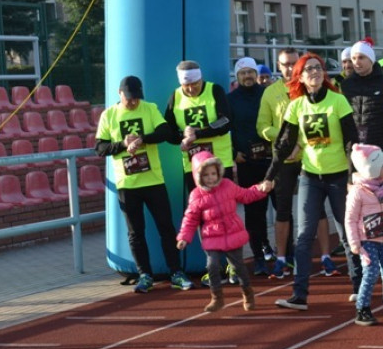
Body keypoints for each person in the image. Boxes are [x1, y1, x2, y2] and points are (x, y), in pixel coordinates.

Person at [267, 54, 360, 310]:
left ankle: (359, 284)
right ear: (300, 76)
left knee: (346, 230)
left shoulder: (338, 100)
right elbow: (284, 144)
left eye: (318, 68)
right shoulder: (296, 106)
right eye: (308, 69)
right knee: (304, 235)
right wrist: (269, 176)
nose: (314, 72)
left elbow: (352, 140)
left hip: (339, 176)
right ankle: (299, 295)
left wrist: (353, 176)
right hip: (310, 176)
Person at [95, 76, 193, 294]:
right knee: (135, 232)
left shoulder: (149, 108)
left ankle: (176, 272)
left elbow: (166, 132)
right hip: (127, 184)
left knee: (166, 227)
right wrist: (122, 144)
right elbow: (100, 148)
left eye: (137, 98)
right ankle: (145, 275)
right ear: (120, 94)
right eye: (129, 98)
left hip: (154, 181)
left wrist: (142, 139)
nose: (133, 102)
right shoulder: (109, 115)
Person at [256, 47, 334, 278]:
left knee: (317, 208)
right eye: (284, 64)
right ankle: (281, 258)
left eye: (293, 63)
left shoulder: (307, 88)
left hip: (310, 155)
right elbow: (262, 127)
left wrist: (299, 142)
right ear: (278, 66)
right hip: (285, 158)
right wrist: (284, 140)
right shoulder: (270, 92)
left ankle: (326, 257)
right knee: (282, 209)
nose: (289, 68)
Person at [176, 152, 272, 312]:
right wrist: (184, 237)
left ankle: (247, 293)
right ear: (198, 176)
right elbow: (190, 218)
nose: (211, 178)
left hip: (232, 232)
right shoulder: (196, 196)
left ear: (219, 172)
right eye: (206, 175)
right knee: (212, 265)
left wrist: (261, 189)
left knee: (239, 267)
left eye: (213, 173)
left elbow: (246, 195)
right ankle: (217, 297)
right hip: (212, 235)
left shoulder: (227, 185)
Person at [345, 144, 383, 325]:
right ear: (371, 169)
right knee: (370, 273)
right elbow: (350, 219)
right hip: (367, 241)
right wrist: (355, 243)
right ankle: (362, 308)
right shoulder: (357, 192)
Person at [228, 56, 274, 275]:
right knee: (254, 212)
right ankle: (259, 257)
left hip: (271, 160)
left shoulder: (268, 94)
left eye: (250, 72)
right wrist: (232, 152)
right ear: (237, 76)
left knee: (281, 208)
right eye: (243, 73)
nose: (247, 76)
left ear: (257, 74)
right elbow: (223, 128)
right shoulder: (230, 99)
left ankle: (286, 255)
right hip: (246, 162)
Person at [164, 60, 234, 194]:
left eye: (195, 84)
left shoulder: (214, 90)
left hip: (220, 162)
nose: (191, 89)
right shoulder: (175, 96)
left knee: (225, 204)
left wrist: (199, 133)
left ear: (201, 79)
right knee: (200, 207)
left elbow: (225, 121)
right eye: (186, 85)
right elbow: (168, 132)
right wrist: (183, 136)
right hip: (194, 165)